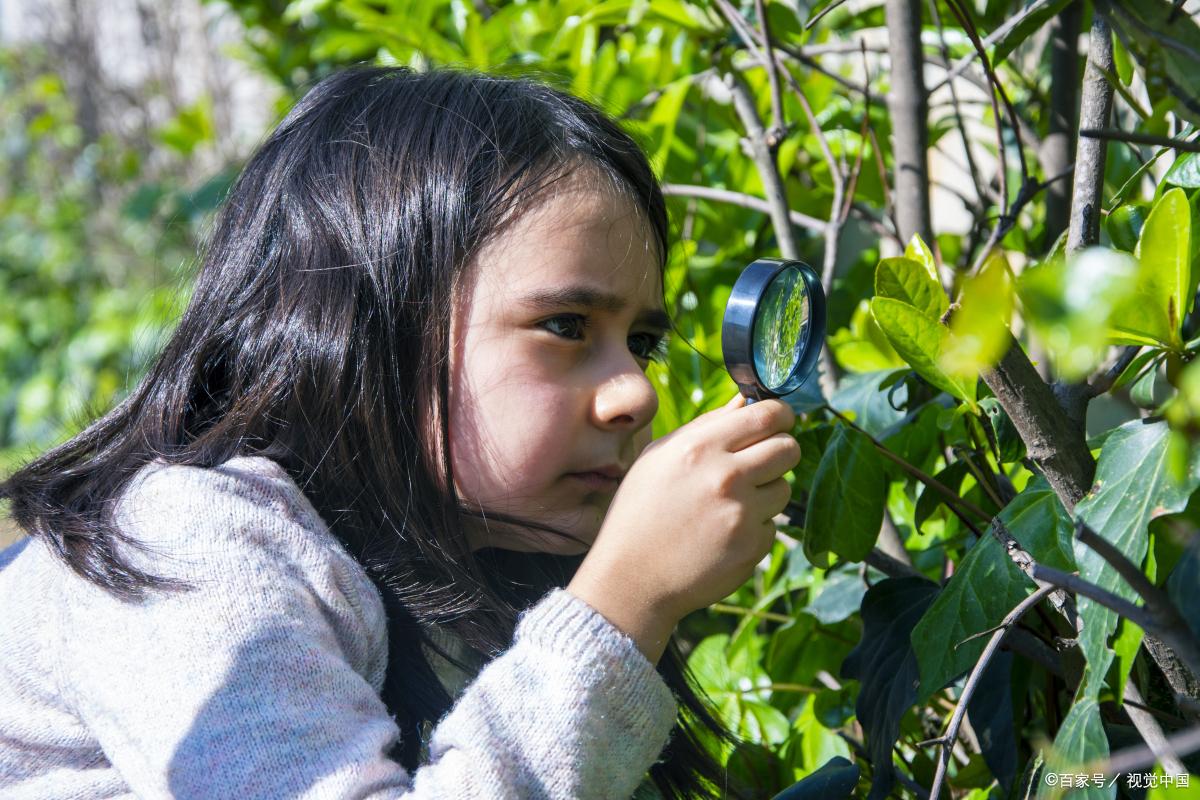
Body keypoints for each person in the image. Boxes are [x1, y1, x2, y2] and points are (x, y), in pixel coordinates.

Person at [0, 65, 800, 799]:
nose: (636, 393)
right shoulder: (189, 542)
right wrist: (624, 603)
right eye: (565, 325)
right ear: (370, 329)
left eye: (642, 344)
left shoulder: (460, 567)